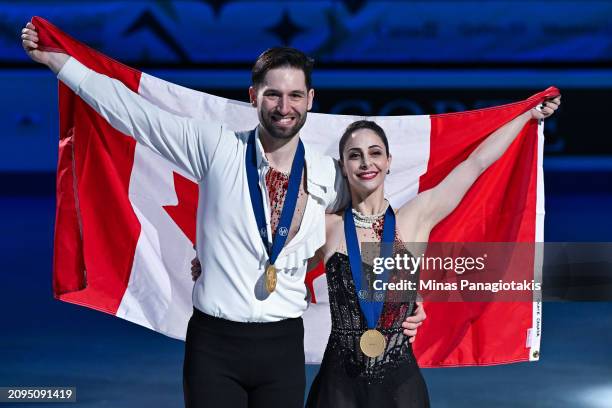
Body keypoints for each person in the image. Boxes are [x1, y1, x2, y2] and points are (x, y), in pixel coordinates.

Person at [21, 21, 425, 408]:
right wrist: (58, 61)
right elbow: (133, 114)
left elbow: (370, 228)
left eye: (295, 96)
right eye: (273, 94)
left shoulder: (328, 175)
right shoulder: (214, 148)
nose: (284, 107)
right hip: (214, 346)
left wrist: (407, 299)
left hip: (283, 348)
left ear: (310, 100)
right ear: (253, 96)